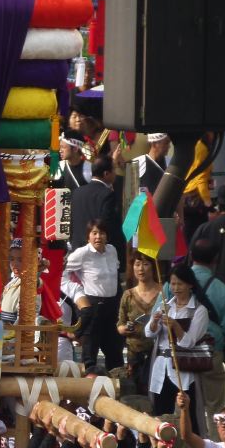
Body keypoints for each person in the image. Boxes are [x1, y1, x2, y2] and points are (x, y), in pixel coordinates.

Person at [170, 238, 225, 429]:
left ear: (191, 256)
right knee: (215, 408)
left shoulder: (174, 282)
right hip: (211, 354)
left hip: (181, 357)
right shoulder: (220, 288)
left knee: (182, 406)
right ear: (216, 259)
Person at [147, 264, 211, 433]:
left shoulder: (199, 310)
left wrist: (176, 326)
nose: (176, 288)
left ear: (190, 284)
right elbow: (149, 333)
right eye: (173, 284)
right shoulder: (165, 305)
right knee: (160, 414)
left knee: (187, 414)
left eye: (180, 284)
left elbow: (189, 342)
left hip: (182, 370)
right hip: (161, 367)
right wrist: (154, 322)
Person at [65, 219, 122, 372]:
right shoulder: (82, 253)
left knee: (114, 349)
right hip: (93, 306)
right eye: (94, 233)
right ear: (88, 236)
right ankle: (88, 386)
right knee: (90, 351)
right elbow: (63, 271)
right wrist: (76, 292)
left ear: (107, 236)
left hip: (112, 306)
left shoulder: (112, 250)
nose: (98, 237)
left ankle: (116, 384)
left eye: (102, 233)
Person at [117, 252, 162, 395]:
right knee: (134, 393)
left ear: (153, 267)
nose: (141, 268)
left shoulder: (163, 292)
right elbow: (120, 325)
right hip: (134, 354)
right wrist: (125, 329)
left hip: (158, 352)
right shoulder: (128, 295)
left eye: (145, 264)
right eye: (137, 264)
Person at [69, 156, 124, 254]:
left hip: (77, 250)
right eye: (114, 170)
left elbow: (71, 223)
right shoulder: (107, 194)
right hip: (97, 253)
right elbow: (108, 224)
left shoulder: (77, 192)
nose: (115, 174)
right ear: (106, 174)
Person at [137, 133, 170, 198]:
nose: (169, 146)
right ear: (154, 144)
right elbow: (129, 196)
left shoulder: (171, 164)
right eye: (166, 143)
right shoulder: (137, 163)